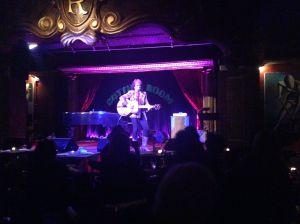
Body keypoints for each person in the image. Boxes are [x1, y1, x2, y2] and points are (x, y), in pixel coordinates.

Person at [118, 79, 151, 151]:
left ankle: (144, 146)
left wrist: (149, 107)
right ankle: (134, 146)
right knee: (135, 129)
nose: (139, 87)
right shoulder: (131, 93)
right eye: (137, 85)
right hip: (134, 113)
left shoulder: (144, 93)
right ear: (134, 86)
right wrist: (128, 105)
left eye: (140, 85)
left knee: (146, 128)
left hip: (142, 113)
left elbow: (147, 103)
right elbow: (121, 97)